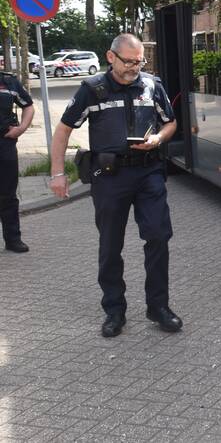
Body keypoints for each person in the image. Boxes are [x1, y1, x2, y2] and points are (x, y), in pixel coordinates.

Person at [49, 34, 180, 338]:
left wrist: (159, 139)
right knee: (110, 245)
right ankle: (114, 310)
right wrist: (57, 172)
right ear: (111, 57)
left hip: (149, 173)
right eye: (129, 61)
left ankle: (158, 307)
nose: (135, 67)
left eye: (140, 61)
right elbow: (64, 128)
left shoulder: (151, 85)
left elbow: (170, 122)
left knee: (159, 237)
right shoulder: (92, 90)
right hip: (110, 177)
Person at [0, 70, 35, 253]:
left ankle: (13, 239)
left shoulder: (9, 81)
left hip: (4, 143)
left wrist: (21, 129)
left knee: (7, 195)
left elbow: (28, 105)